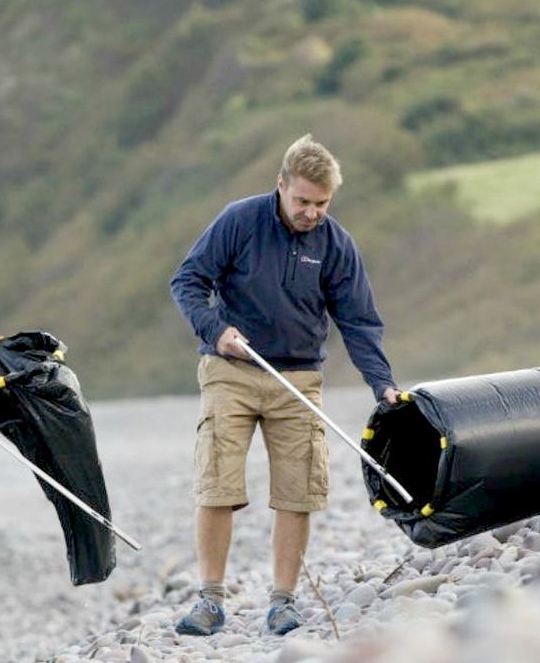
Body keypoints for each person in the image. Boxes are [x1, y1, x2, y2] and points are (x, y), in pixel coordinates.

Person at [170, 134, 400, 637]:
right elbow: (187, 281)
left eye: (321, 204)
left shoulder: (336, 244)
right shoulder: (239, 221)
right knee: (217, 482)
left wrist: (382, 384)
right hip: (230, 369)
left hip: (299, 377)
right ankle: (209, 600)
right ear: (280, 186)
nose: (312, 212)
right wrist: (216, 329)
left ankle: (284, 601)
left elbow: (359, 322)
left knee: (298, 492)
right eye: (303, 201)